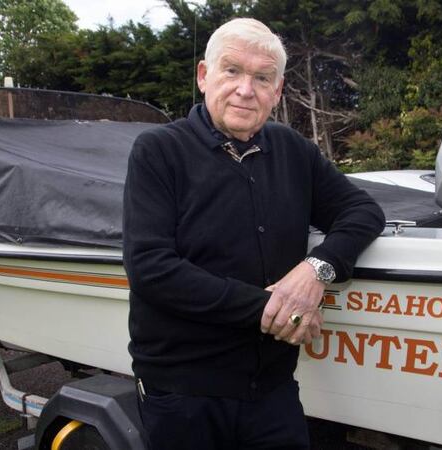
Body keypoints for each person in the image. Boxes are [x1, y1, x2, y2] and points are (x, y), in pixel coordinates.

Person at [122, 17, 385, 450]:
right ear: (204, 76)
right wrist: (274, 309)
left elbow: (361, 210)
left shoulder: (293, 150)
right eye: (232, 71)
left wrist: (315, 271)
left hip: (273, 391)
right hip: (185, 394)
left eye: (263, 78)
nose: (247, 89)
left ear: (277, 91)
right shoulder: (159, 151)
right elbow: (152, 269)